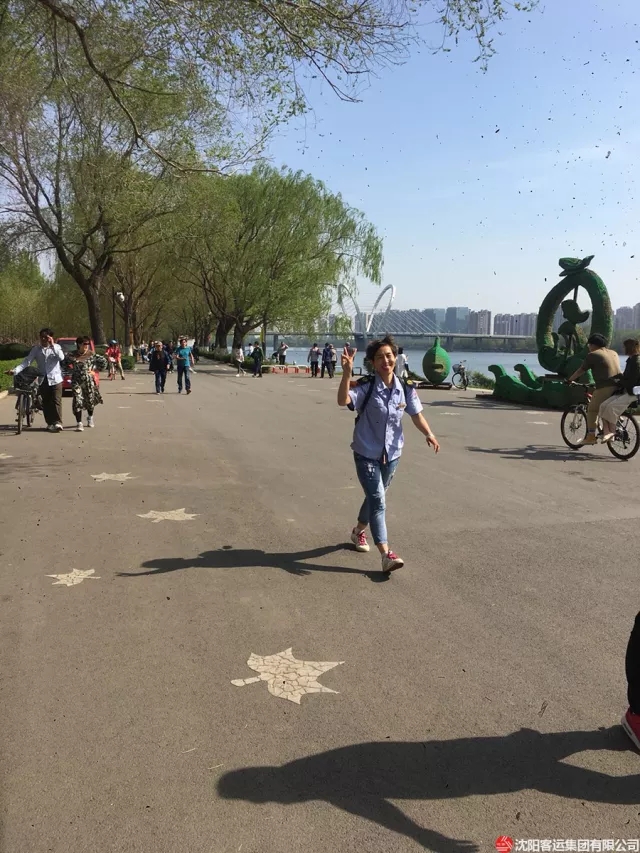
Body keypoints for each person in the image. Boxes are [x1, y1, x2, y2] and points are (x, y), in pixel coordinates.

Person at [338, 335, 440, 572]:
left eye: (389, 356)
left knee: (376, 496)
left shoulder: (405, 388)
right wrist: (346, 373)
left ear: (395, 357)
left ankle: (358, 531)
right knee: (378, 500)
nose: (385, 361)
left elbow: (416, 414)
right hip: (366, 452)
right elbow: (343, 401)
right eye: (379, 357)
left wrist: (429, 433)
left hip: (392, 453)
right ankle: (386, 554)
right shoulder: (367, 386)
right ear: (373, 363)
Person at [5, 328, 66, 432]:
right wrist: (15, 371)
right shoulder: (36, 349)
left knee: (56, 400)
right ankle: (50, 423)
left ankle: (58, 423)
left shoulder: (56, 347)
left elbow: (61, 358)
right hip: (43, 379)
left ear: (50, 338)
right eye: (41, 337)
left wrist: (52, 345)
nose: (43, 339)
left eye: (46, 337)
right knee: (46, 402)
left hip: (55, 379)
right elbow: (27, 362)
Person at [566, 333, 621, 445]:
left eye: (589, 345)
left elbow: (581, 370)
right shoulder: (613, 353)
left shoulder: (593, 355)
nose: (589, 347)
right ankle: (611, 429)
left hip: (605, 387)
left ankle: (591, 436)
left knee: (592, 410)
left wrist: (570, 380)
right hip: (619, 386)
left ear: (593, 345)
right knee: (605, 407)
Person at [598, 338, 640, 441]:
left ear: (629, 348)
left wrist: (618, 381)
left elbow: (631, 381)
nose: (623, 348)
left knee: (611, 408)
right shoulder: (631, 359)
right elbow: (626, 377)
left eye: (624, 347)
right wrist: (616, 377)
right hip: (627, 390)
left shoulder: (636, 361)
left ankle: (612, 432)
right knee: (603, 406)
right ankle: (606, 431)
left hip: (633, 393)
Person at [68, 336, 108, 431]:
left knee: (90, 400)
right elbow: (63, 364)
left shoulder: (91, 354)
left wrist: (95, 371)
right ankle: (79, 423)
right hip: (76, 381)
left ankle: (90, 417)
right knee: (78, 400)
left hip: (88, 381)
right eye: (84, 344)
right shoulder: (72, 355)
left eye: (88, 344)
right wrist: (70, 370)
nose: (86, 346)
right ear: (79, 344)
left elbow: (104, 362)